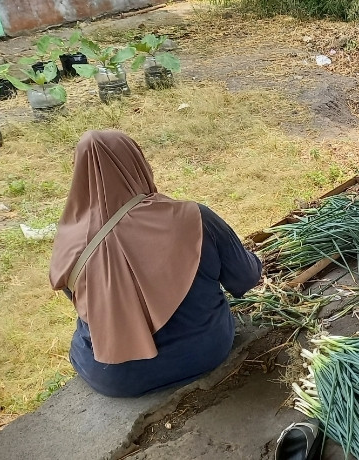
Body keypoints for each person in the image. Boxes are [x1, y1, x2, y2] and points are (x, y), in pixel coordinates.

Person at [49, 130, 262, 398]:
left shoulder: (68, 243)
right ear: (138, 163)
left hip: (115, 378)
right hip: (203, 352)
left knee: (83, 336)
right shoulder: (195, 219)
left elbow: (85, 308)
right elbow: (245, 278)